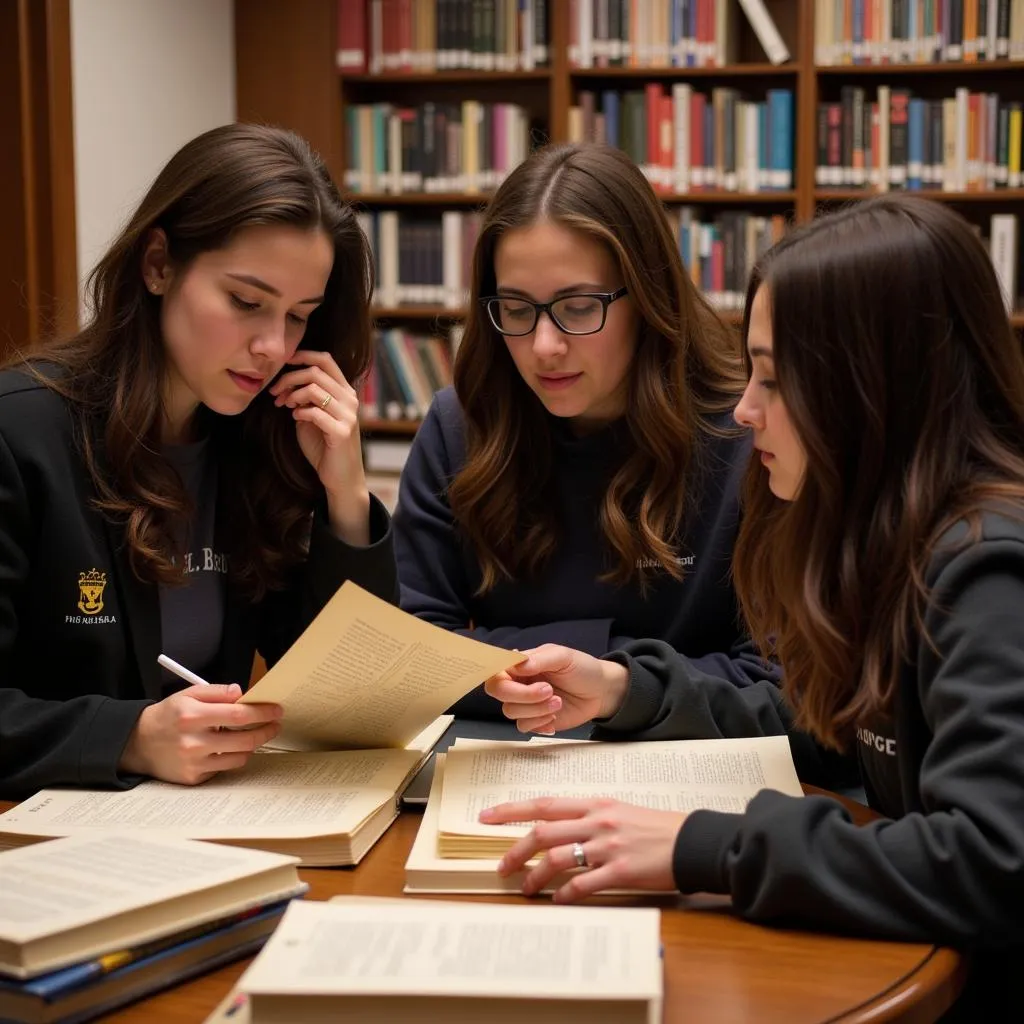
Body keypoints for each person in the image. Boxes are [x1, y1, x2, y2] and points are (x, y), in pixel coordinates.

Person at [481, 195, 1024, 975]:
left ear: (869, 387)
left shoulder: (986, 572)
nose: (744, 410)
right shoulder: (895, 546)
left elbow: (993, 861)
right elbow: (823, 723)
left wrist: (700, 846)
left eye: (772, 379)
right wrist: (625, 689)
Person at [0, 123, 396, 799]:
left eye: (299, 315)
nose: (273, 345)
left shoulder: (257, 443)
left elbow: (357, 702)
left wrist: (345, 495)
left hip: (212, 829)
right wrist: (127, 737)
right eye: (246, 302)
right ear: (158, 264)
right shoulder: (19, 432)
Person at [393, 142, 779, 719]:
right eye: (517, 309)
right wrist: (617, 668)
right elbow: (410, 657)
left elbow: (775, 681)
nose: (544, 347)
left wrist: (606, 677)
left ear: (647, 297)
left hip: (689, 775)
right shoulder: (459, 428)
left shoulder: (750, 435)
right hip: (506, 763)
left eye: (577, 307)